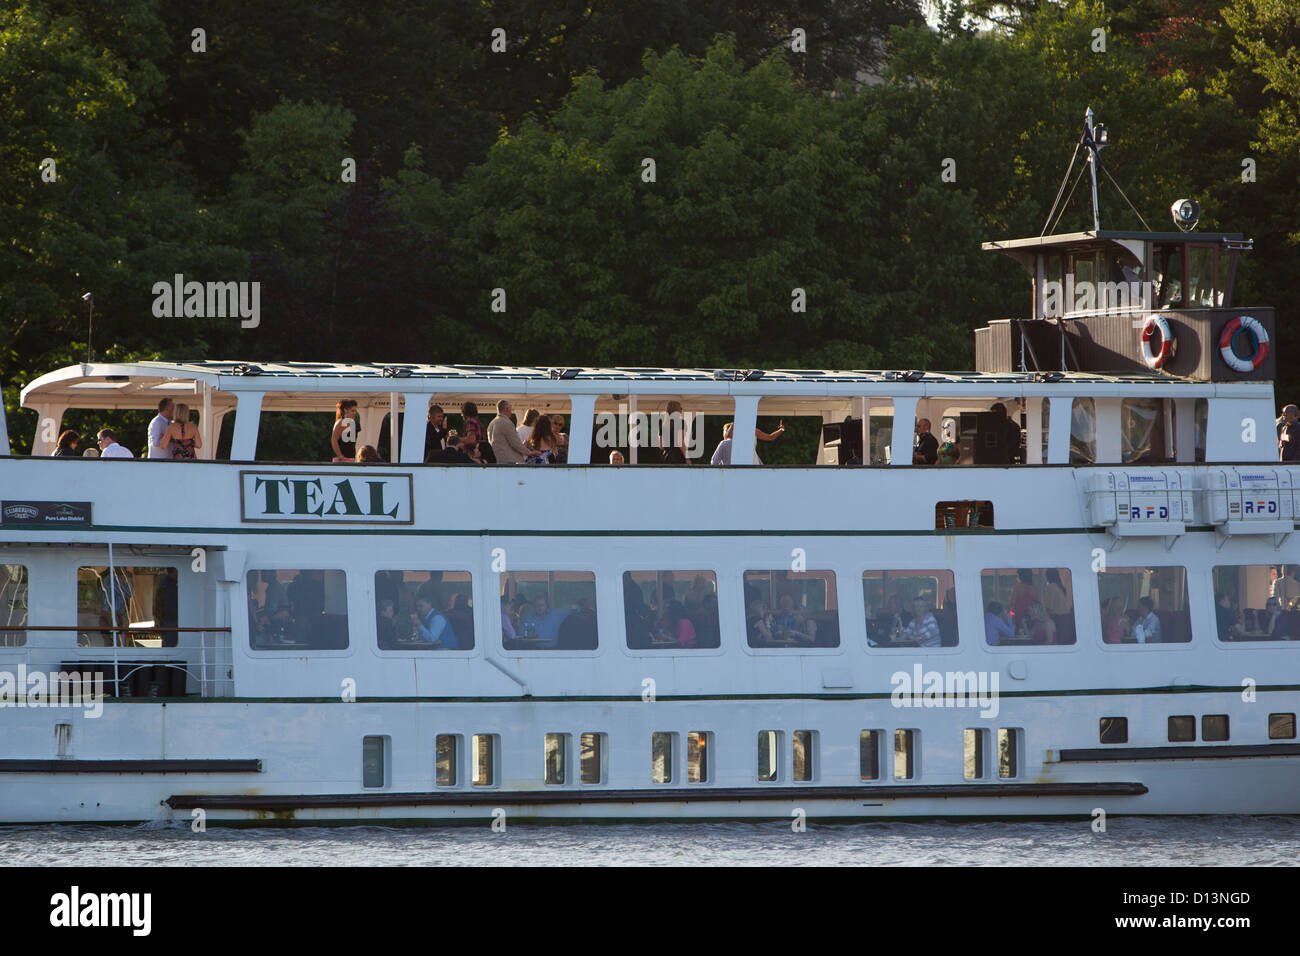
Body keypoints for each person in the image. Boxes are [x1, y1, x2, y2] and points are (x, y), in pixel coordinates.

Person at [488, 399, 532, 464]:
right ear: (507, 409)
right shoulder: (506, 423)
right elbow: (515, 443)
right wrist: (529, 452)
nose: (511, 412)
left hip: (499, 460)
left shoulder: (491, 423)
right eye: (511, 409)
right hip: (510, 461)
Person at [660, 401, 687, 465]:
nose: (682, 410)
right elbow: (680, 442)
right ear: (677, 410)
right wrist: (687, 458)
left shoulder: (663, 425)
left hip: (667, 459)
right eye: (680, 408)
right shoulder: (681, 422)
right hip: (679, 458)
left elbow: (661, 446)